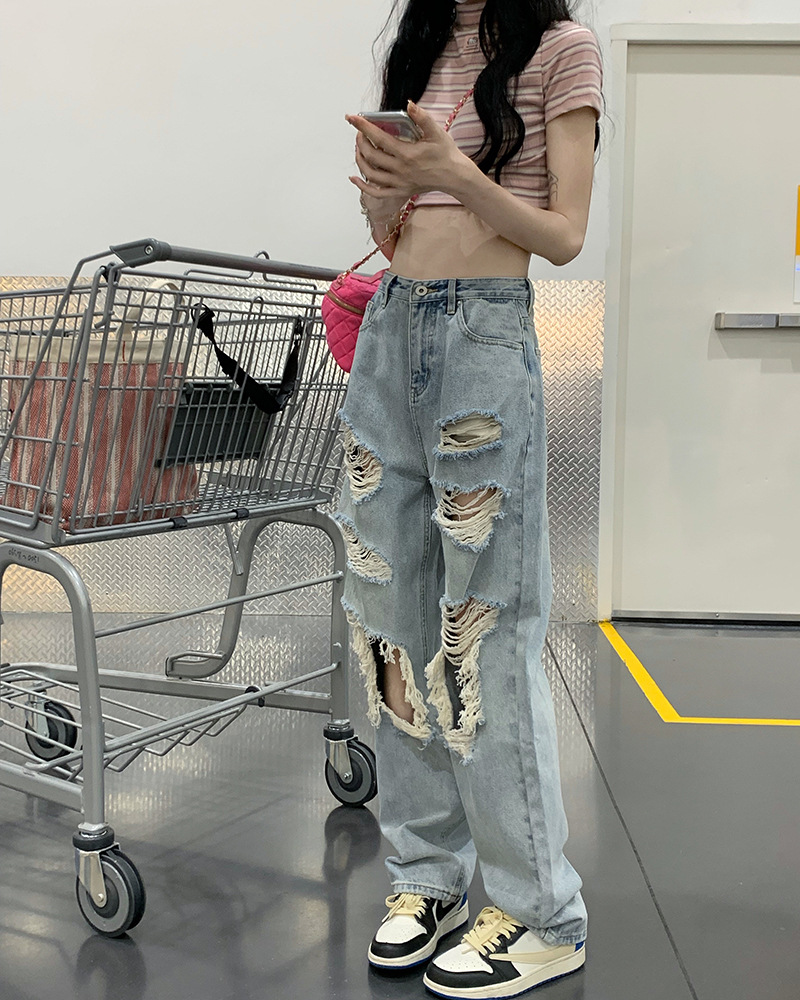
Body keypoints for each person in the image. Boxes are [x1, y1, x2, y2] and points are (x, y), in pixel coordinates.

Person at [336, 0, 602, 995]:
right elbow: (395, 232)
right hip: (392, 328)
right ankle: (426, 873)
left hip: (484, 336)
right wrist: (384, 196)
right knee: (390, 623)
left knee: (484, 631)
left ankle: (540, 912)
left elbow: (564, 235)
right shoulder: (423, 43)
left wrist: (452, 173)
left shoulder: (563, 50)